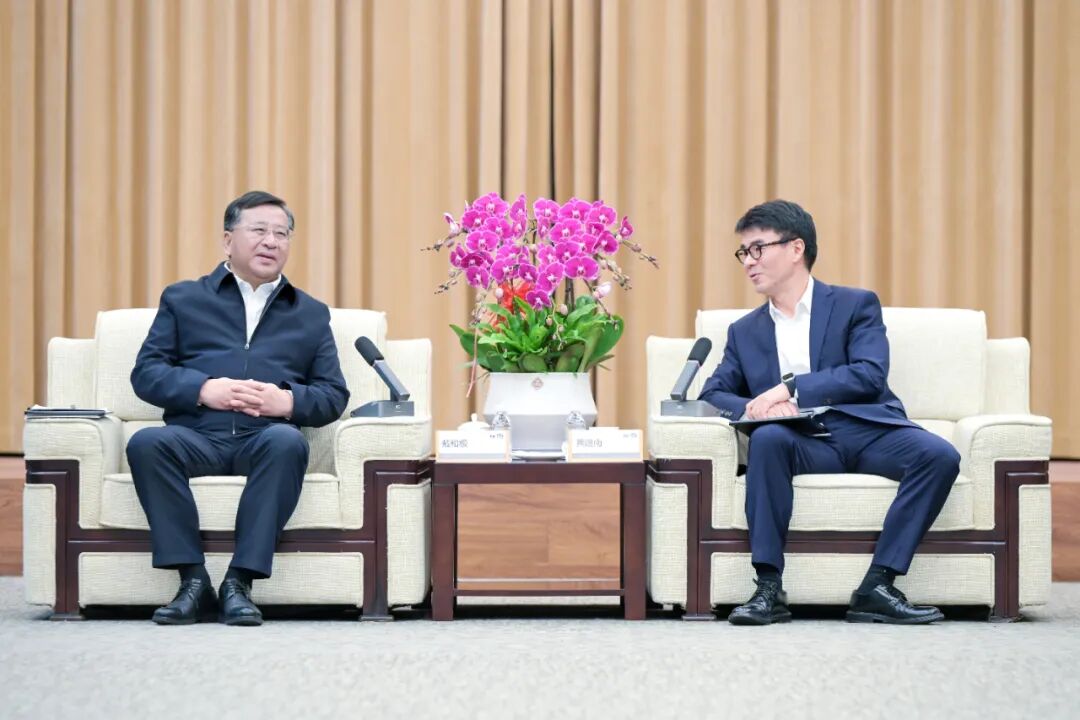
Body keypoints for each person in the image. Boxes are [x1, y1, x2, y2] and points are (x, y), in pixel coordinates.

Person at [699, 199, 959, 625]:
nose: (748, 261)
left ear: (796, 248)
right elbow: (713, 393)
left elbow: (869, 373)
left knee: (939, 455)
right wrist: (757, 407)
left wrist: (789, 388)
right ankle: (768, 588)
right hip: (800, 440)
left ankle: (878, 586)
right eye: (743, 252)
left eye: (758, 248)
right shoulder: (745, 331)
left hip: (865, 428)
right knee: (767, 439)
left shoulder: (855, 305)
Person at [127, 190, 349, 626]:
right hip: (196, 435)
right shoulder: (184, 299)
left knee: (287, 442)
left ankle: (238, 582)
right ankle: (192, 581)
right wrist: (203, 389)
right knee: (147, 443)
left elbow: (333, 394)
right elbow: (146, 373)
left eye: (281, 234)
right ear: (228, 240)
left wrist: (287, 401)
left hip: (263, 438)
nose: (271, 242)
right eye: (259, 230)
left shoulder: (309, 313)